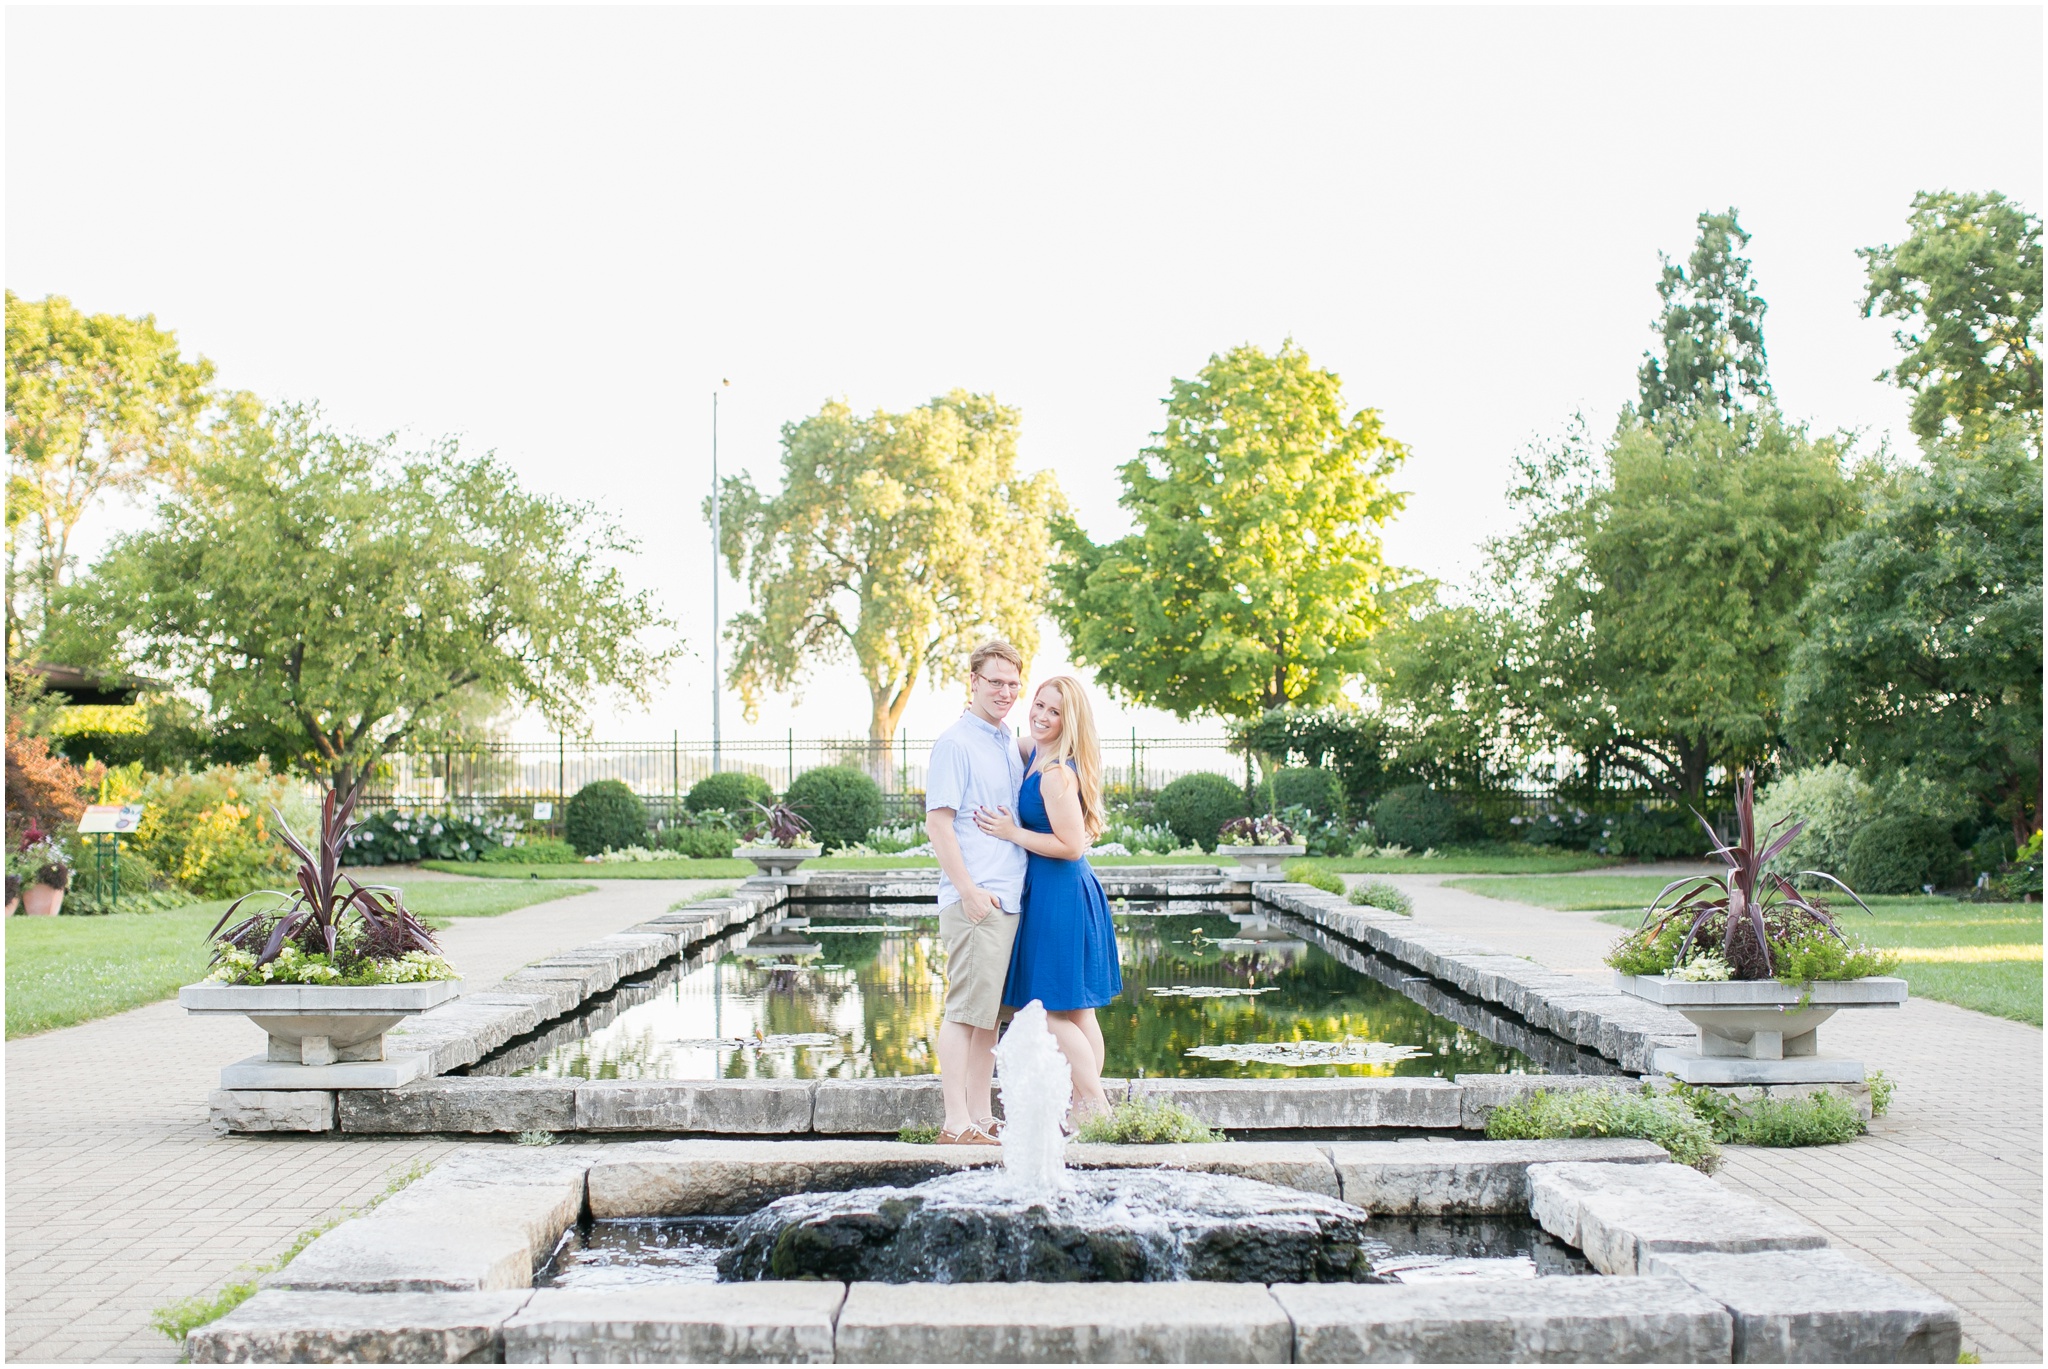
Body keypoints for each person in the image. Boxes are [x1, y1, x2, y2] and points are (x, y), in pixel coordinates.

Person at [974, 674, 1123, 1125]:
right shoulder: (1035, 751)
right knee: (1077, 1009)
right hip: (1057, 891)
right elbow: (1000, 739)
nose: (1040, 716)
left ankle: (1095, 1103)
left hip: (1060, 894)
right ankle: (1083, 1107)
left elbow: (1072, 845)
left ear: (1069, 720)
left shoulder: (1057, 774)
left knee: (1039, 1009)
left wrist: (1011, 832)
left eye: (1053, 712)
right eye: (1038, 705)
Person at [925, 639, 1029, 1145]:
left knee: (989, 1019)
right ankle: (954, 1123)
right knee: (965, 1013)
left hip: (1006, 901)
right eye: (995, 682)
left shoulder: (1006, 740)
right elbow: (938, 823)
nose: (1005, 691)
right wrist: (967, 891)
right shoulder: (956, 744)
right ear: (973, 681)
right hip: (978, 900)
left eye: (1013, 683)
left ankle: (981, 1118)